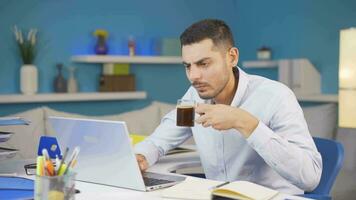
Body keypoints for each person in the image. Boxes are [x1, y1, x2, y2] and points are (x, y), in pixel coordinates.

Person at [134, 19, 322, 194]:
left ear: (232, 57)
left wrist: (245, 123)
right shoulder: (194, 96)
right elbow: (159, 140)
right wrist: (142, 156)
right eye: (188, 66)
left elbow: (310, 177)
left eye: (203, 64)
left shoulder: (276, 96)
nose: (193, 76)